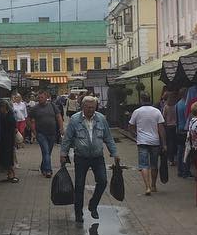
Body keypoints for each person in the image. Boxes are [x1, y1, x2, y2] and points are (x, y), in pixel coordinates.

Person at [60, 95, 120, 224]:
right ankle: (78, 213)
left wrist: (114, 153)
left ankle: (93, 205)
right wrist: (63, 154)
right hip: (81, 157)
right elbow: (68, 138)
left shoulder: (101, 119)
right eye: (88, 107)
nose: (90, 110)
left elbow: (108, 138)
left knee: (103, 181)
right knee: (79, 186)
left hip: (98, 157)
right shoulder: (75, 120)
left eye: (93, 107)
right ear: (83, 107)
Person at [128, 95, 166, 196]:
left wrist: (135, 135)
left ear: (141, 100)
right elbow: (161, 128)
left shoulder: (137, 111)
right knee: (154, 165)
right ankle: (153, 185)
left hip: (142, 141)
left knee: (143, 165)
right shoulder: (157, 111)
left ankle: (147, 187)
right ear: (150, 100)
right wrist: (164, 143)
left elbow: (130, 126)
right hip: (155, 141)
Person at [29, 91, 63, 178]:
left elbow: (59, 116)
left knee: (47, 152)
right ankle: (48, 170)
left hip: (52, 133)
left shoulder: (52, 106)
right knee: (46, 151)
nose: (40, 99)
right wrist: (34, 131)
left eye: (42, 97)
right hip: (41, 133)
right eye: (39, 98)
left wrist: (61, 128)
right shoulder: (35, 108)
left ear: (46, 97)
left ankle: (43, 167)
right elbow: (29, 120)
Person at [0, 100, 18, 182]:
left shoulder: (10, 116)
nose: (0, 109)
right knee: (6, 157)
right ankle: (10, 174)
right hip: (4, 140)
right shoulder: (3, 116)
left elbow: (13, 129)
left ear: (5, 107)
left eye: (1, 107)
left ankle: (12, 174)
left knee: (9, 157)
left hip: (9, 140)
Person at [162, 93, 178, 166]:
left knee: (169, 142)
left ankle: (170, 159)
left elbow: (163, 117)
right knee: (174, 142)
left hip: (168, 126)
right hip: (175, 125)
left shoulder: (166, 107)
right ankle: (174, 157)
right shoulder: (175, 106)